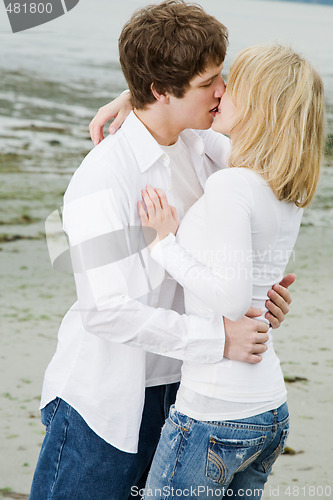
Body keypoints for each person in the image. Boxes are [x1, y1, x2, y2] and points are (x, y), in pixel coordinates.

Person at [30, 2, 293, 499]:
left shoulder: (206, 148)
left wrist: (260, 294)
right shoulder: (103, 178)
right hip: (106, 406)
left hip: (186, 393)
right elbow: (105, 311)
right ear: (161, 90)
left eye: (223, 75)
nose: (223, 92)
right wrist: (220, 339)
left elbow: (276, 164)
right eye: (208, 82)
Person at [132, 45, 323, 498]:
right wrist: (134, 97)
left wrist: (164, 244)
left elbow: (234, 300)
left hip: (216, 413)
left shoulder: (233, 185)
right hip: (267, 411)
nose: (219, 94)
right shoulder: (281, 188)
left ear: (257, 107)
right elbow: (193, 132)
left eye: (231, 88)